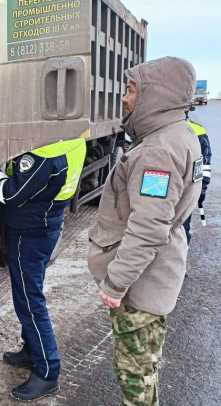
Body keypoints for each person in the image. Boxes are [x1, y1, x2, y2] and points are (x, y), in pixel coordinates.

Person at [87, 57, 202, 406]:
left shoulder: (156, 151)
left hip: (141, 283)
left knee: (134, 375)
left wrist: (116, 282)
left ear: (157, 96)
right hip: (157, 272)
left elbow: (148, 228)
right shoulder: (179, 134)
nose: (124, 98)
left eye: (131, 90)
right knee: (146, 364)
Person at [0, 138, 86, 402]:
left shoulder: (44, 154)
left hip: (29, 234)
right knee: (31, 296)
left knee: (30, 303)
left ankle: (48, 372)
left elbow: (10, 194)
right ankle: (31, 349)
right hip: (45, 226)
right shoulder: (74, 141)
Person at [182, 115, 212, 243]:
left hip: (160, 189)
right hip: (186, 191)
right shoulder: (198, 130)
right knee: (182, 229)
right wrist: (202, 190)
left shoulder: (154, 128)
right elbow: (204, 164)